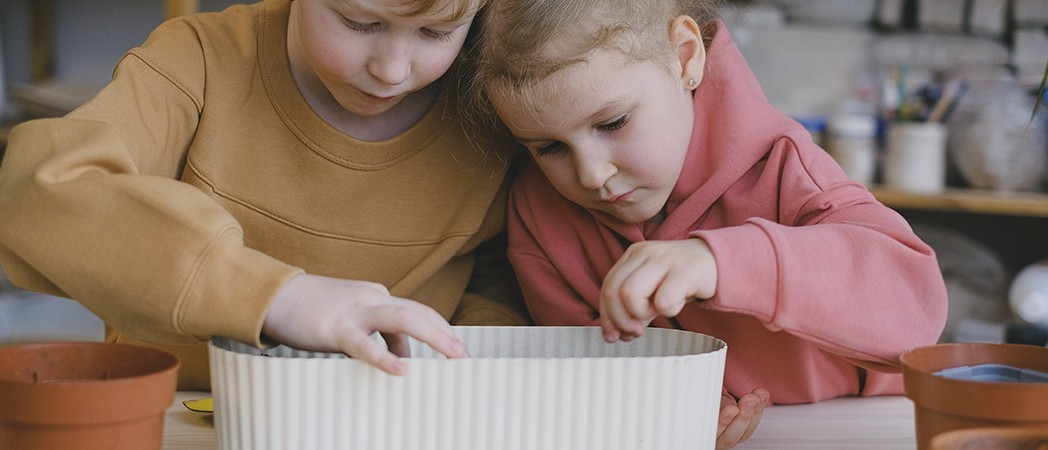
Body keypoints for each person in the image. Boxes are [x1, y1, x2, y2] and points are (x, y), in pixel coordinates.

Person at [468, 0, 948, 447]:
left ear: (685, 58)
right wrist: (672, 405)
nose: (592, 174)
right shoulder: (536, 207)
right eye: (549, 148)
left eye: (612, 123)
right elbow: (586, 375)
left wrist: (723, 262)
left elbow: (916, 315)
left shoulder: (785, 165)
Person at [0, 0, 531, 390]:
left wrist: (471, 369)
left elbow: (499, 279)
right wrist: (279, 297)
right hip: (182, 418)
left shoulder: (487, 98)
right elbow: (34, 194)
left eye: (437, 32)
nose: (391, 69)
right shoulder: (200, 63)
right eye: (360, 23)